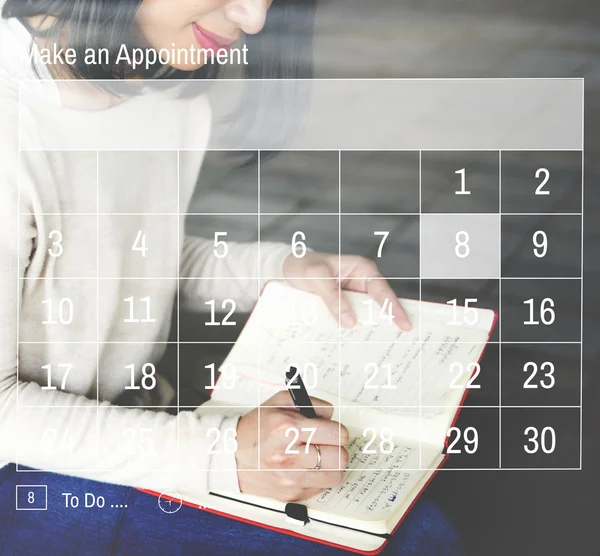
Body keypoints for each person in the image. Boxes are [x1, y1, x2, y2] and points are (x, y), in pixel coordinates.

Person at [0, 1, 464, 553]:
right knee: (412, 540)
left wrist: (279, 271)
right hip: (27, 475)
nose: (254, 19)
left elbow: (116, 257)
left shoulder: (163, 87)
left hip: (134, 420)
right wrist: (223, 455)